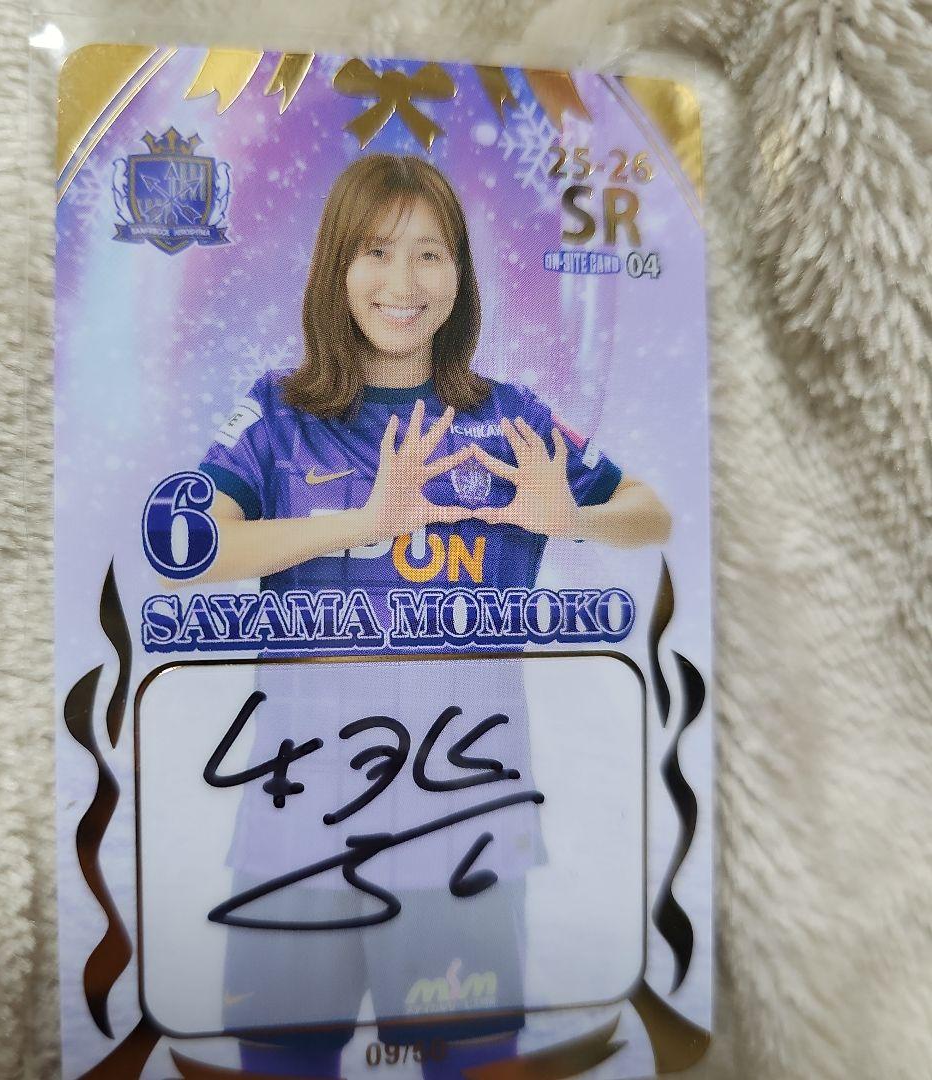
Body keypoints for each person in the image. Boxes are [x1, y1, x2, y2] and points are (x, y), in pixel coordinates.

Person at [197, 154, 670, 1079]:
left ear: (459, 274)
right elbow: (194, 550)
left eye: (430, 254)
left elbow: (649, 513)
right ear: (336, 268)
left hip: (466, 831)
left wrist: (569, 517)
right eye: (376, 251)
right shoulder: (276, 414)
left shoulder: (510, 419)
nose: (403, 283)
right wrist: (359, 524)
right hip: (297, 829)